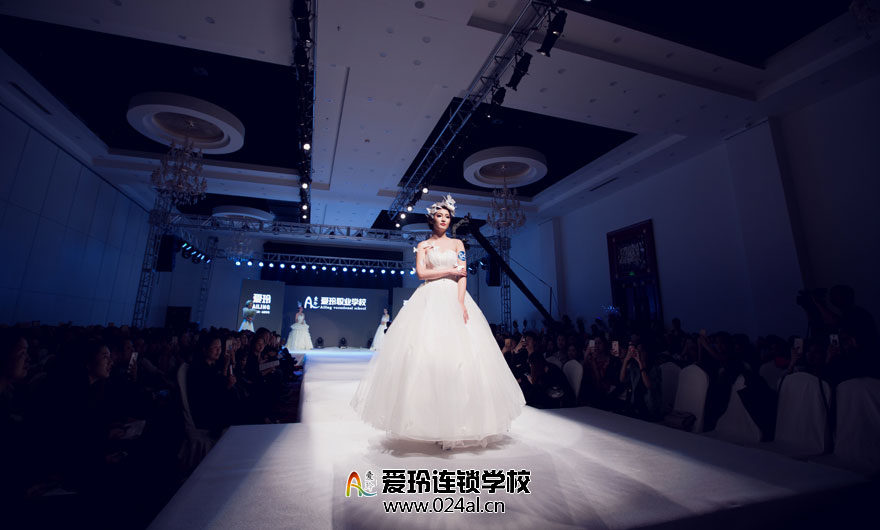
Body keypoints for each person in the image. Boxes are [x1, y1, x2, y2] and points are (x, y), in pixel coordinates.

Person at [351, 195, 525, 449]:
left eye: (447, 216)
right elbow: (422, 274)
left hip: (454, 296)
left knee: (460, 358)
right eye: (439, 216)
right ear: (431, 219)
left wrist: (461, 302)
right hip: (429, 297)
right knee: (428, 356)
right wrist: (449, 271)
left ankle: (458, 424)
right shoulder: (423, 246)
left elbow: (463, 275)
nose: (444, 219)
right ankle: (431, 422)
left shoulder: (458, 244)